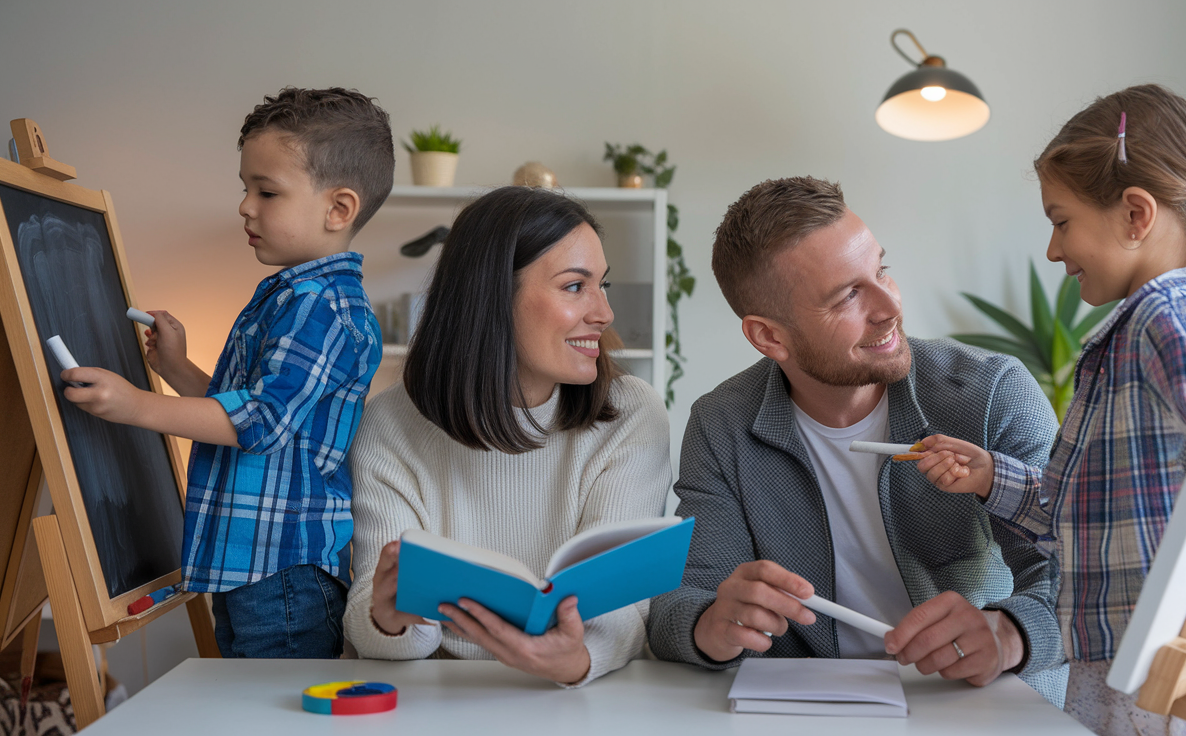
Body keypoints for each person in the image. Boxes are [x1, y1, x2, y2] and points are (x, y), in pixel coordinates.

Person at [910, 84, 1186, 735]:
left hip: (1150, 668)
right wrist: (991, 474)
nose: (1052, 249)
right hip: (1114, 657)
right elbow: (1080, 517)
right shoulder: (1144, 327)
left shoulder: (1168, 316)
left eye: (1061, 220)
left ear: (1135, 215)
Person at [647, 176, 1068, 705]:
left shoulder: (991, 393)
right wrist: (710, 624)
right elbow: (677, 604)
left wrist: (1010, 633)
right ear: (769, 336)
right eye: (848, 295)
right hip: (808, 707)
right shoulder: (722, 425)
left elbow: (1078, 572)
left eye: (880, 271)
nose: (889, 306)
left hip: (972, 700)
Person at [59, 87, 390, 658]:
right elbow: (247, 410)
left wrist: (135, 403)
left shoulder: (322, 306)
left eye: (267, 191)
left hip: (282, 570)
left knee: (269, 713)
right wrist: (176, 368)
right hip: (247, 562)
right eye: (246, 188)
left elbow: (257, 422)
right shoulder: (291, 297)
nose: (245, 206)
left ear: (339, 209)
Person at [344, 186, 671, 687]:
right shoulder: (390, 423)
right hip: (438, 705)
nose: (604, 313)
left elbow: (622, 612)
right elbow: (377, 622)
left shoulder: (630, 414)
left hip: (583, 700)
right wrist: (388, 618)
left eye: (602, 285)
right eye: (574, 287)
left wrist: (574, 659)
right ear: (492, 296)